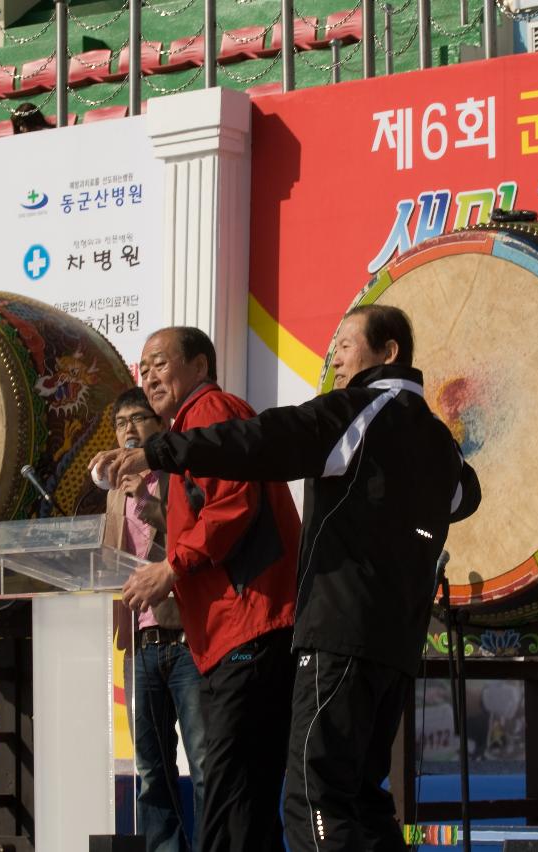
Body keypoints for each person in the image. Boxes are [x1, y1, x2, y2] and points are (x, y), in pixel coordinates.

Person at [93, 306, 481, 851]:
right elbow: (467, 496)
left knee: (313, 798)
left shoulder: (357, 412)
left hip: (330, 632)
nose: (335, 356)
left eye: (346, 343)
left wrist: (157, 452)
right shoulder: (436, 441)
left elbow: (263, 441)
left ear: (388, 352)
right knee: (360, 797)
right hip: (393, 642)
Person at [103, 327, 300, 852]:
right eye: (143, 368)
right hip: (231, 631)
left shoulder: (210, 411)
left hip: (248, 624)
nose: (149, 377)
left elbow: (232, 505)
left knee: (230, 800)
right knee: (244, 802)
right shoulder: (185, 431)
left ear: (199, 365)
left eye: (160, 363)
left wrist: (170, 569)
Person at [102, 387, 206, 852]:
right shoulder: (113, 493)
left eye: (139, 419)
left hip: (187, 638)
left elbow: (198, 535)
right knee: (150, 768)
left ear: (161, 426)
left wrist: (149, 503)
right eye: (121, 422)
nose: (128, 429)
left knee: (205, 763)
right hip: (138, 641)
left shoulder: (179, 475)